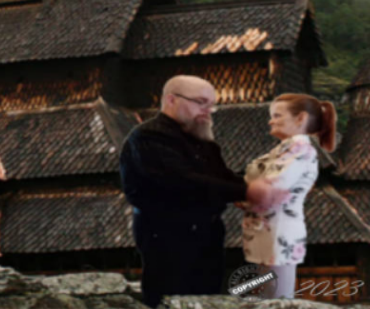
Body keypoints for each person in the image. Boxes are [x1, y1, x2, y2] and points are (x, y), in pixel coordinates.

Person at [120, 75, 287, 308]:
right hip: (167, 234)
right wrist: (247, 192)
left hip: (207, 233)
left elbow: (220, 175)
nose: (208, 110)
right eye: (200, 102)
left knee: (208, 298)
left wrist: (254, 189)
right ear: (171, 100)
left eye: (211, 104)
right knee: (171, 299)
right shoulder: (150, 136)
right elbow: (183, 181)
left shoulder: (200, 139)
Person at [239, 93, 336, 299]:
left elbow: (273, 186)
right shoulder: (283, 150)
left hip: (279, 232)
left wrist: (238, 193)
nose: (270, 120)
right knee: (268, 297)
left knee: (277, 300)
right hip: (266, 230)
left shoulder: (300, 149)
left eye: (277, 115)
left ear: (300, 118)